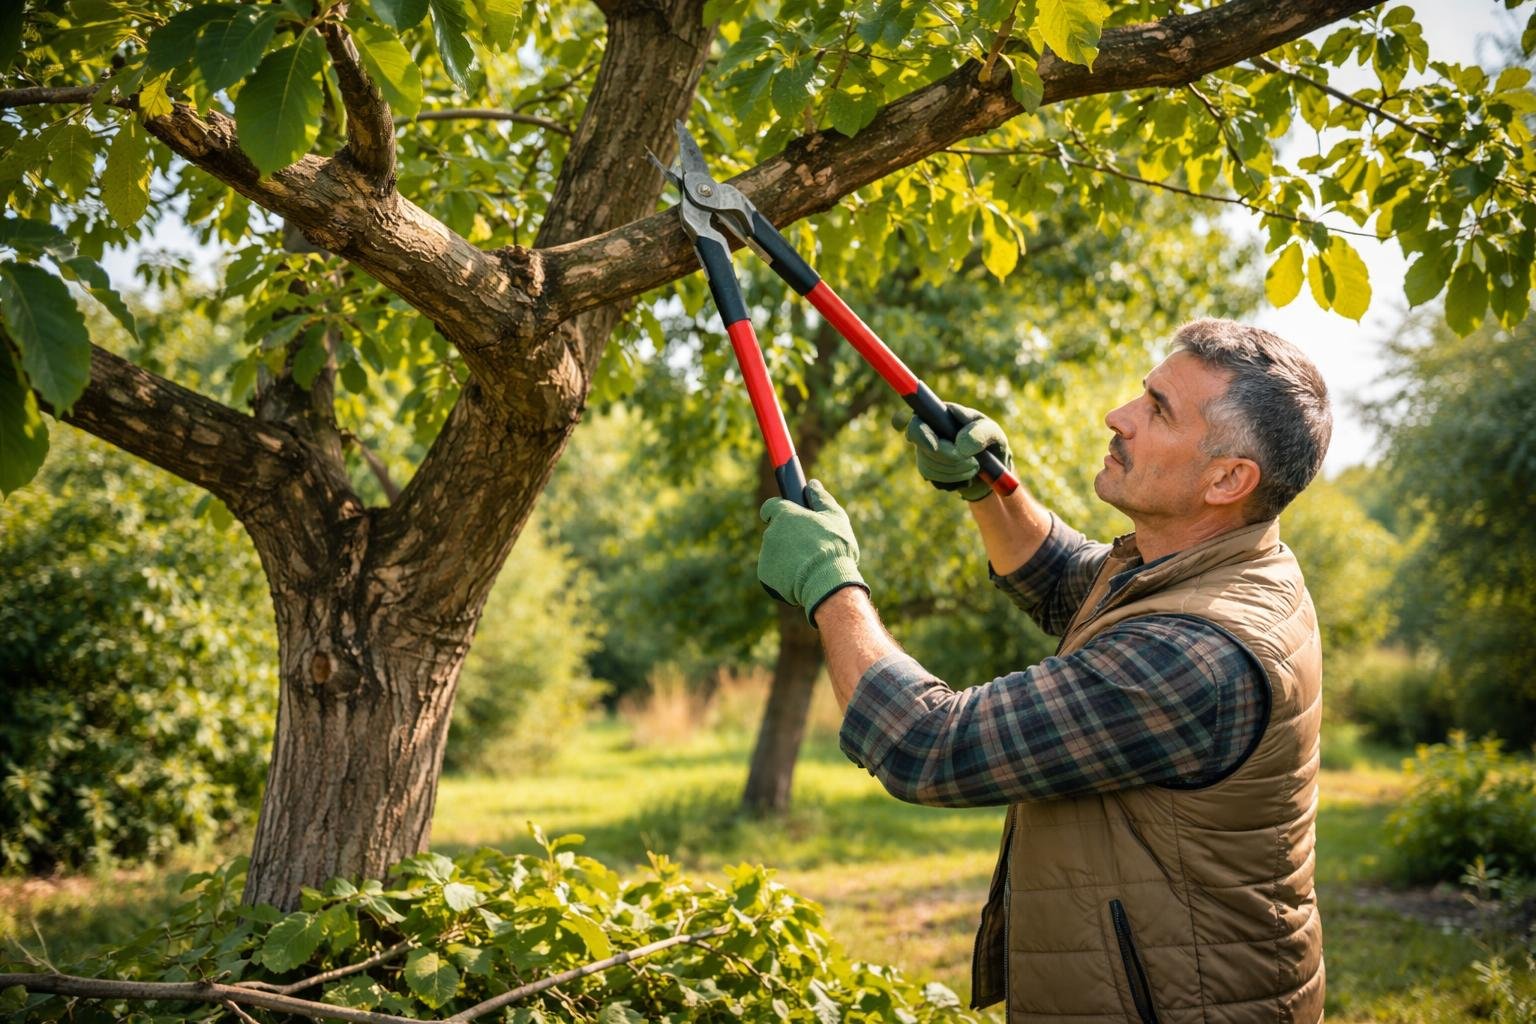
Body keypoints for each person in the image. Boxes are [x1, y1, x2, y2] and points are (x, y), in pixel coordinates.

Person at [756, 318, 1332, 1024]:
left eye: (1158, 410)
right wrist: (989, 487)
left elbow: (924, 746)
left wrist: (829, 582)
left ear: (1227, 479)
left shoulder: (1195, 656)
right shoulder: (1219, 569)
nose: (1118, 417)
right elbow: (1068, 581)